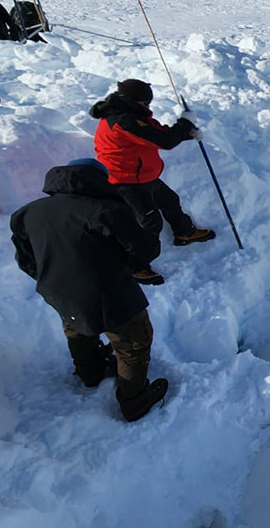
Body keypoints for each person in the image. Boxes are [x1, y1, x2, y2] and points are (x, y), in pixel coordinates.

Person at [10, 159, 169, 422]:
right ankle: (135, 401)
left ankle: (90, 372)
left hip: (59, 293)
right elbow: (147, 250)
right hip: (112, 295)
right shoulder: (107, 210)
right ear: (97, 180)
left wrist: (52, 279)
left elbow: (26, 261)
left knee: (77, 329)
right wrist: (137, 250)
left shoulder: (27, 213)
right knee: (133, 343)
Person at [90, 79, 215, 285]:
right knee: (149, 221)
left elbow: (157, 134)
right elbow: (163, 141)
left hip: (141, 175)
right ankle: (136, 266)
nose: (148, 107)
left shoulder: (131, 114)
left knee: (170, 201)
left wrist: (186, 134)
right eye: (145, 103)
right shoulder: (123, 120)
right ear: (134, 101)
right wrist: (184, 124)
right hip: (124, 179)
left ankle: (184, 233)